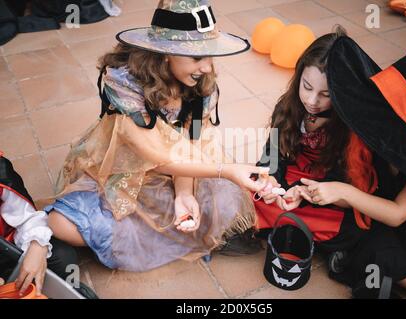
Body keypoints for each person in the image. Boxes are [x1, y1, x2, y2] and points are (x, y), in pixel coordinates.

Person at [45, 0, 268, 273]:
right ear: (165, 53)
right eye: (197, 57)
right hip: (124, 170)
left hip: (176, 168)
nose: (208, 68)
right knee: (61, 223)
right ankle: (154, 237)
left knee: (226, 201)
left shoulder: (201, 84)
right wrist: (227, 170)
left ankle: (157, 232)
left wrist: (184, 193)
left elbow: (190, 144)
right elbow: (157, 157)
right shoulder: (124, 83)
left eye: (210, 56)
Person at [255, 31, 406, 298]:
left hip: (396, 223)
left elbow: (391, 212)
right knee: (261, 198)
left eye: (325, 94)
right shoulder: (365, 122)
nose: (312, 101)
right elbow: (274, 156)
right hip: (351, 200)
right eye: (307, 87)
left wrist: (335, 193)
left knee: (376, 249)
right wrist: (275, 182)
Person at [0, 151, 79, 296]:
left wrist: (37, 246)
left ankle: (73, 290)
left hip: (6, 251)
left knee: (64, 257)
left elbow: (27, 217)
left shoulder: (1, 172)